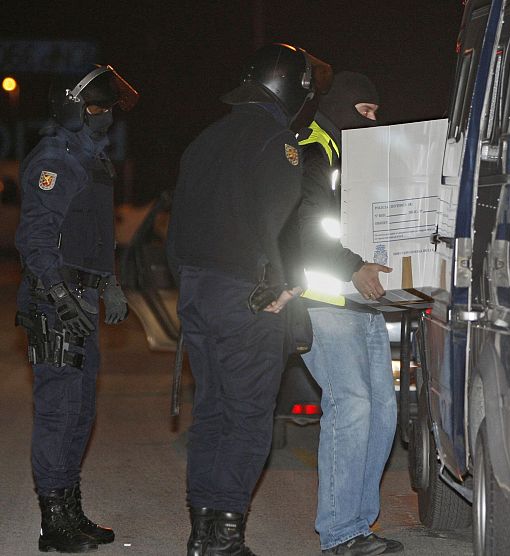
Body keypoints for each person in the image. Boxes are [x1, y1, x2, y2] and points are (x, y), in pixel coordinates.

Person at [166, 43, 331, 556]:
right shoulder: (276, 140)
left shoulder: (204, 139)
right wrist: (284, 287)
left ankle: (202, 532)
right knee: (248, 417)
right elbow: (280, 224)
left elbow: (177, 230)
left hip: (198, 292)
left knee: (212, 412)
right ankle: (227, 538)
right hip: (248, 297)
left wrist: (192, 283)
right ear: (289, 89)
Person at [14, 65, 138, 553]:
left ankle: (71, 510)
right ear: (71, 108)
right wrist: (61, 297)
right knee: (59, 413)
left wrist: (109, 283)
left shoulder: (92, 159)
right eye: (95, 108)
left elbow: (92, 237)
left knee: (81, 411)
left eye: (107, 108)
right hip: (55, 303)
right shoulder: (55, 158)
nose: (105, 116)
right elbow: (36, 238)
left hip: (82, 299)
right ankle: (53, 523)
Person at [296, 71, 403, 555]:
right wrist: (354, 266)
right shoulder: (312, 150)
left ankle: (359, 526)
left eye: (376, 113)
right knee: (353, 404)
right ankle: (339, 533)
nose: (373, 120)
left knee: (383, 410)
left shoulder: (354, 155)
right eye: (365, 111)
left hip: (363, 299)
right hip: (325, 299)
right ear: (340, 106)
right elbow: (305, 228)